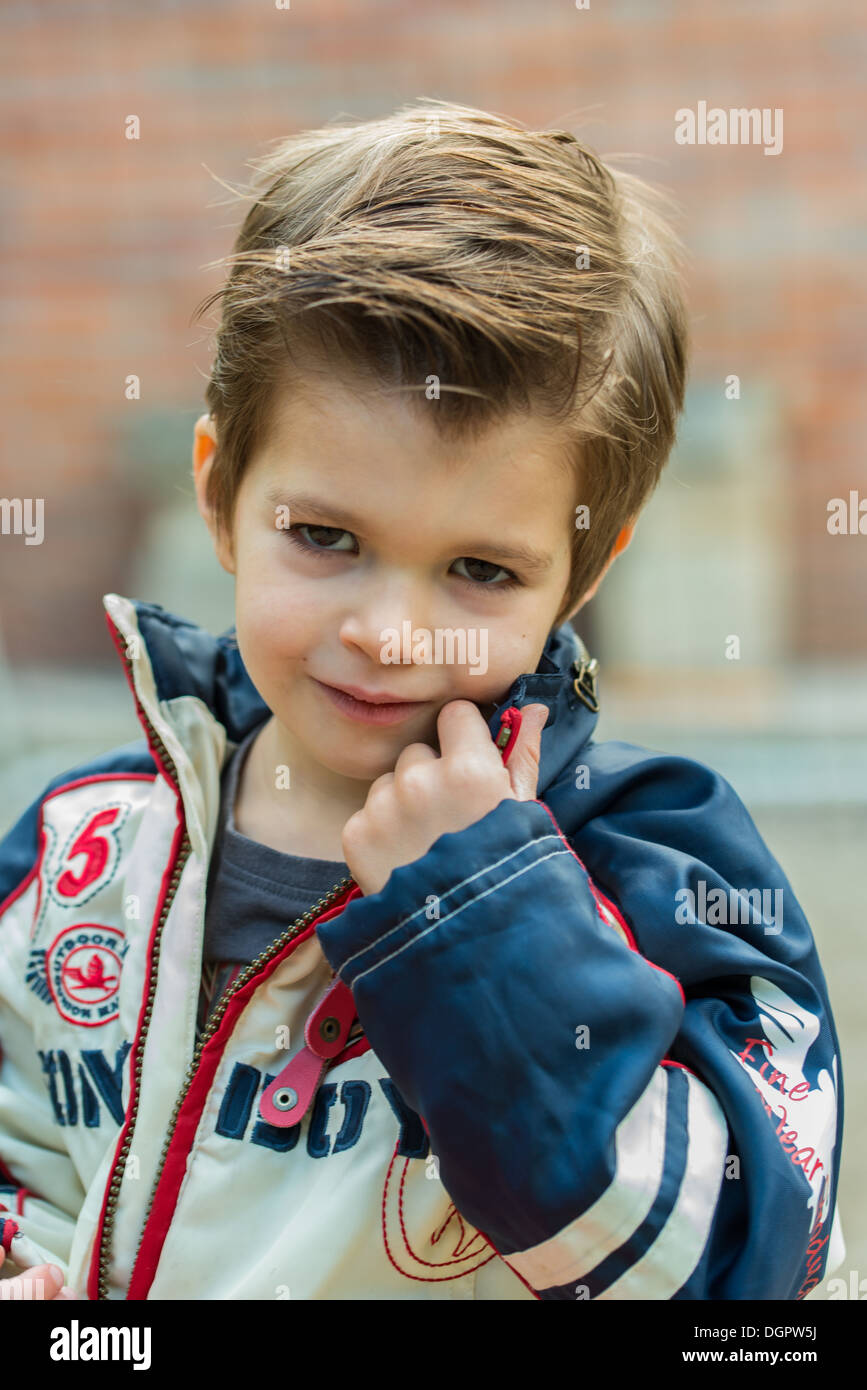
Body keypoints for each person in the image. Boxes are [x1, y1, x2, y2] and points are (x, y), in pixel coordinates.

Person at [0, 99, 844, 1301]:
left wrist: (484, 922)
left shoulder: (658, 867)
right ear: (220, 491)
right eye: (327, 536)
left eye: (480, 569)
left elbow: (743, 1279)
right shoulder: (74, 856)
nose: (388, 630)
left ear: (584, 567)